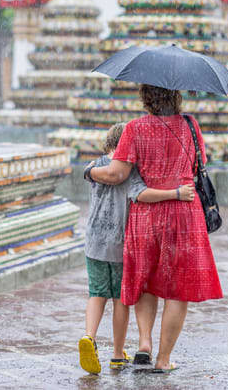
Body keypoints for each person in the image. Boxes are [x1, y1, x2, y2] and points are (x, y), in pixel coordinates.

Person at [86, 84, 223, 373]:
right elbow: (200, 164)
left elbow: (117, 173)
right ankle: (163, 359)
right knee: (177, 290)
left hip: (145, 215)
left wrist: (89, 171)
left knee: (146, 280)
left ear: (145, 97)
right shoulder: (190, 125)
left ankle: (144, 344)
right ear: (176, 95)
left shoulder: (134, 129)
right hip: (183, 213)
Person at [79, 122, 195, 375]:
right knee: (121, 300)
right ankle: (118, 354)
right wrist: (175, 193)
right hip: (121, 244)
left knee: (96, 293)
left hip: (94, 243)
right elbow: (141, 194)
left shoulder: (96, 165)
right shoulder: (129, 169)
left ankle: (88, 337)